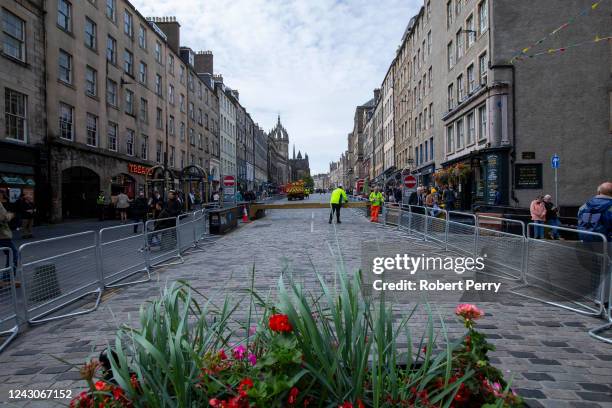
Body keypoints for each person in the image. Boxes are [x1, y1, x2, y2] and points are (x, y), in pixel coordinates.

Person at [0, 191, 18, 283]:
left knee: (11, 254)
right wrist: (10, 215)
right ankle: (7, 278)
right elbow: (3, 217)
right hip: (2, 235)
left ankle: (6, 278)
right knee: (13, 254)